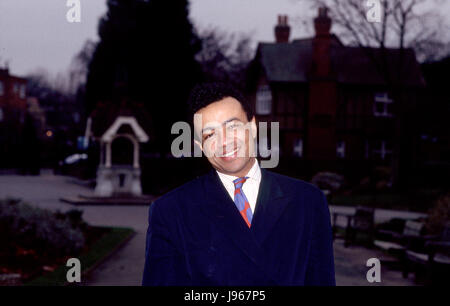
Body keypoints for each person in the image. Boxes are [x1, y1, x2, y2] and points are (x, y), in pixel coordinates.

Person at [142, 82, 335, 286]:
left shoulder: (308, 202)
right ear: (200, 146)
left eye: (232, 126)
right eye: (210, 135)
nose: (224, 141)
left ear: (252, 126)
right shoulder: (170, 211)